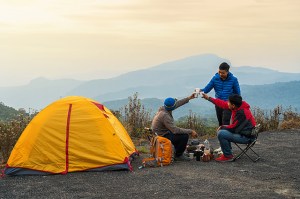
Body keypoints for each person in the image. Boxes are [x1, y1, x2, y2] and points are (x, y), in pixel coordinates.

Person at [201, 93, 256, 162]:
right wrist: (208, 98)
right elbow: (222, 103)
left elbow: (234, 129)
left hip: (247, 137)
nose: (227, 103)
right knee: (223, 131)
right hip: (245, 133)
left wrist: (222, 127)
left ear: (233, 105)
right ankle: (227, 151)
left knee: (221, 133)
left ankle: (228, 156)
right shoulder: (238, 107)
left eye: (229, 102)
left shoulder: (242, 113)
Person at [151, 94, 198, 161]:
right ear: (172, 107)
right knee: (184, 136)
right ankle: (178, 155)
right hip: (161, 136)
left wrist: (189, 98)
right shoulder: (165, 116)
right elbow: (175, 130)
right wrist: (190, 131)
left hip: (160, 134)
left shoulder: (164, 108)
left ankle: (176, 151)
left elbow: (177, 104)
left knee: (178, 134)